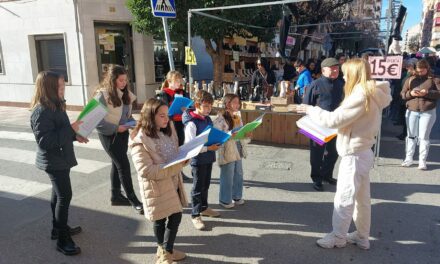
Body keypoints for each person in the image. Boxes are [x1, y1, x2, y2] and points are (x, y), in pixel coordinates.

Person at [297, 58, 391, 250]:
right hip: (362, 150)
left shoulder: (361, 94)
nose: (343, 75)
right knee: (361, 199)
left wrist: (310, 109)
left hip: (354, 153)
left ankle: (339, 236)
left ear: (355, 73)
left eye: (346, 72)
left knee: (345, 198)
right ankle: (362, 236)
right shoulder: (372, 91)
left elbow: (334, 119)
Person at [30, 71, 88, 255]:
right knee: (64, 196)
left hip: (61, 158)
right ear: (49, 88)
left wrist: (74, 136)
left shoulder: (55, 105)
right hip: (53, 161)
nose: (63, 90)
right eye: (60, 87)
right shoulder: (41, 111)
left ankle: (58, 229)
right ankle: (63, 239)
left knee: (58, 195)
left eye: (64, 86)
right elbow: (45, 141)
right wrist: (70, 129)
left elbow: (60, 132)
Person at [129, 98, 188, 264]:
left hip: (172, 181)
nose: (166, 119)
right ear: (150, 117)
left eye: (167, 115)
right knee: (160, 219)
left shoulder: (167, 128)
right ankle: (164, 253)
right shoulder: (139, 140)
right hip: (156, 186)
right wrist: (177, 166)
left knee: (176, 215)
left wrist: (185, 156)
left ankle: (166, 250)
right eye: (161, 116)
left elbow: (174, 152)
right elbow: (146, 170)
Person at [94, 65, 143, 214]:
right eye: (120, 80)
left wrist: (134, 123)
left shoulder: (126, 93)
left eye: (125, 80)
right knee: (123, 165)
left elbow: (126, 116)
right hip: (109, 135)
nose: (123, 83)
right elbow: (96, 121)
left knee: (116, 164)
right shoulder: (102, 95)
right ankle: (133, 199)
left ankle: (115, 196)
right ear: (112, 80)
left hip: (123, 133)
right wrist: (116, 128)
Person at [303, 58, 344, 191]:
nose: (335, 70)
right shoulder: (315, 84)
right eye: (332, 68)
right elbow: (306, 105)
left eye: (337, 68)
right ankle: (316, 178)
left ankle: (327, 174)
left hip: (336, 124)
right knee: (317, 154)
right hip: (318, 125)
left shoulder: (341, 84)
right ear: (323, 70)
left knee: (333, 152)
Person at [182, 90, 221, 230]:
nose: (208, 109)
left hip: (209, 157)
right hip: (198, 160)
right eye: (205, 106)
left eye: (210, 106)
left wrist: (219, 139)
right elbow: (190, 147)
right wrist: (208, 148)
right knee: (197, 188)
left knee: (206, 185)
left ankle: (204, 207)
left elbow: (210, 135)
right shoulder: (191, 123)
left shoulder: (208, 119)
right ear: (197, 105)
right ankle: (195, 214)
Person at [400, 59, 440, 170]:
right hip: (412, 110)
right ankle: (408, 159)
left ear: (427, 69)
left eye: (422, 71)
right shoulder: (410, 79)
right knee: (411, 135)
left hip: (427, 112)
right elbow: (403, 94)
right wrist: (410, 93)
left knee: (423, 137)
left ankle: (422, 161)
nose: (420, 73)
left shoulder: (434, 79)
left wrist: (428, 92)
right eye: (418, 71)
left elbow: (438, 93)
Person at [213, 94, 251, 208]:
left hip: (238, 147)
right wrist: (229, 135)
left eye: (238, 102)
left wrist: (246, 133)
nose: (238, 105)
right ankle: (225, 199)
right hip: (228, 149)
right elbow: (218, 135)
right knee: (227, 174)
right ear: (228, 104)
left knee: (238, 173)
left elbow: (241, 132)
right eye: (235, 102)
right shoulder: (220, 118)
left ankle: (237, 196)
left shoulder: (237, 116)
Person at [157, 71, 191, 182]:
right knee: (171, 147)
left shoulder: (182, 92)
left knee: (180, 147)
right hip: (169, 124)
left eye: (180, 80)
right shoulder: (164, 93)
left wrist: (187, 108)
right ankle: (173, 172)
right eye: (176, 80)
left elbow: (189, 105)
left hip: (180, 122)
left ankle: (179, 171)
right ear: (169, 81)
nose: (178, 82)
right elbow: (162, 110)